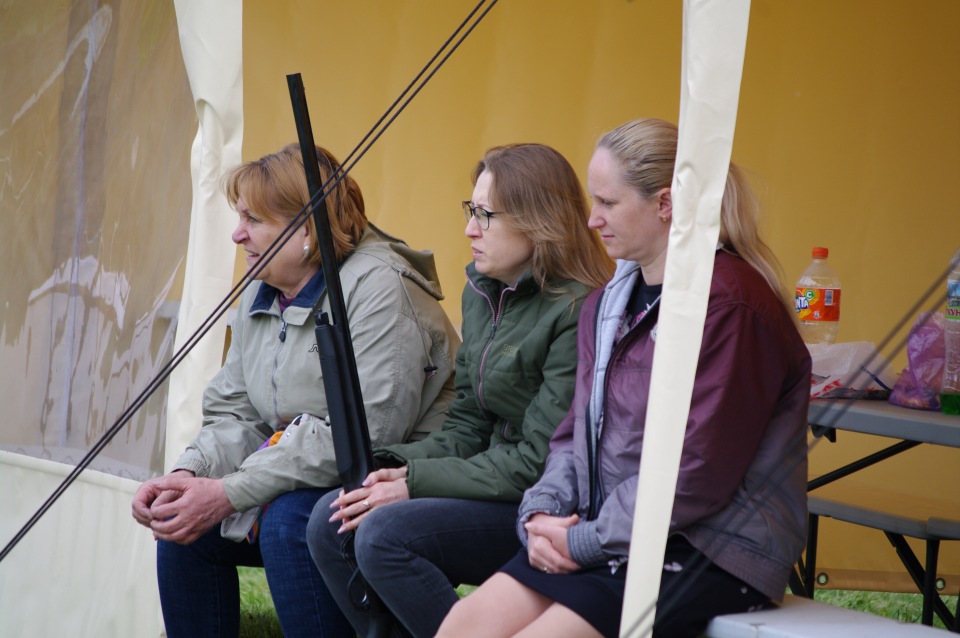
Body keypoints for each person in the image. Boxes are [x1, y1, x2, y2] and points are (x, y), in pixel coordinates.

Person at [438, 118, 812, 638]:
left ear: (665, 204)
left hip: (713, 548)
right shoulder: (606, 303)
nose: (592, 220)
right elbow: (572, 435)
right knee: (463, 625)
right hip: (613, 533)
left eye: (607, 203)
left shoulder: (731, 305)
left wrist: (585, 540)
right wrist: (541, 512)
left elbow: (697, 470)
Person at [131, 143, 460, 638]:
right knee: (185, 525)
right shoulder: (262, 287)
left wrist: (229, 492)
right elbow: (238, 414)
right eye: (239, 217)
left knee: (290, 519)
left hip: (400, 478)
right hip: (306, 472)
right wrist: (190, 476)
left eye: (253, 219)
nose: (237, 233)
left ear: (306, 228)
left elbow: (368, 436)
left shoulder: (380, 288)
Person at [306, 143, 614, 638]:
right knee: (333, 516)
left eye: (486, 215)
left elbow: (537, 461)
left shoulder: (579, 309)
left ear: (539, 221)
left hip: (547, 508)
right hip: (492, 481)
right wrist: (385, 464)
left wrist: (414, 481)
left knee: (384, 534)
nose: (470, 229)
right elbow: (468, 424)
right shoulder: (483, 291)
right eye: (472, 210)